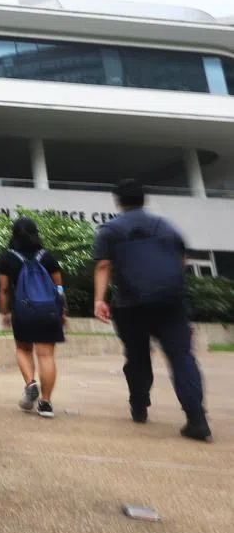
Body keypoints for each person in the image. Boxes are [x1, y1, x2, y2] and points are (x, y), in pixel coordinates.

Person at [93, 179, 212, 441]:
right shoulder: (167, 227)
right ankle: (197, 419)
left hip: (130, 304)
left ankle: (139, 405)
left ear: (118, 201)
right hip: (171, 302)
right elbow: (182, 261)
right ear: (143, 199)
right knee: (182, 357)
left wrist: (99, 300)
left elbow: (103, 265)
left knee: (137, 356)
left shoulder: (110, 230)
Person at [0, 217, 67, 418]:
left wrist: (4, 312)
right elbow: (59, 286)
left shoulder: (8, 257)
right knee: (46, 355)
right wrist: (62, 307)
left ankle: (30, 383)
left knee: (23, 348)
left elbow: (4, 289)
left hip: (23, 310)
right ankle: (45, 404)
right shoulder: (47, 256)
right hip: (48, 311)